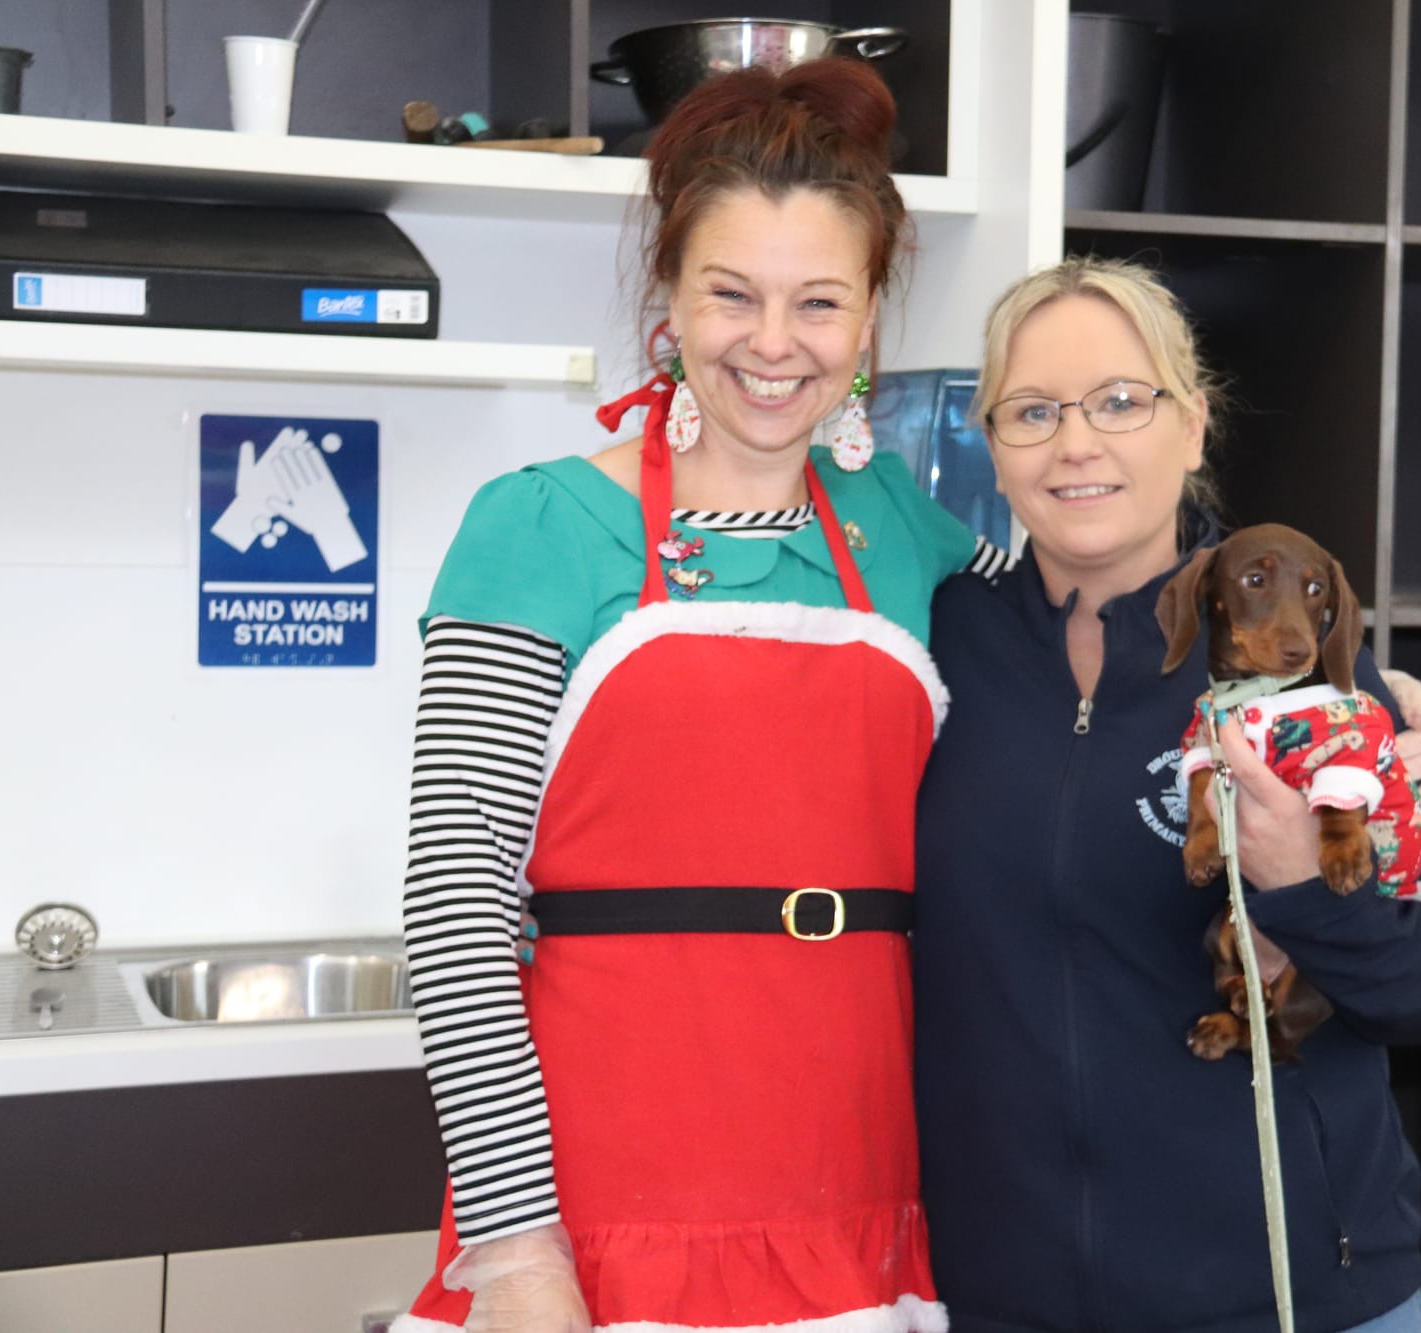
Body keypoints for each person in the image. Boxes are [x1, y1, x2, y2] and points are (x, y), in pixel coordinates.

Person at [391, 60, 1005, 1333]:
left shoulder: (906, 531)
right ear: (668, 298)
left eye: (818, 303)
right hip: (605, 1211)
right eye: (732, 294)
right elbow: (456, 912)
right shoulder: (540, 526)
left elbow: (1096, 657)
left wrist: (1358, 708)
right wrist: (513, 1257)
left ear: (870, 315)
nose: (774, 346)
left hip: (863, 1198)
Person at [911, 257, 1421, 1333]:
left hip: (1289, 1294)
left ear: (1193, 425)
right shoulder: (936, 646)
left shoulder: (1305, 675)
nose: (1076, 442)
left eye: (1122, 402)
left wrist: (1309, 888)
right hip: (1002, 1297)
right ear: (991, 444)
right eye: (1032, 411)